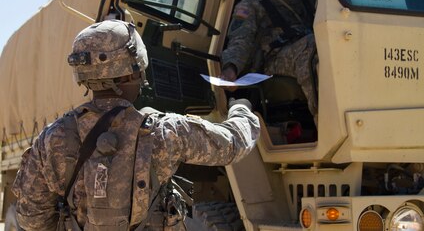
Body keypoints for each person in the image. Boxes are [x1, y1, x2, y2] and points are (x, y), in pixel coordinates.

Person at [12, 19, 260, 230]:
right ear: (135, 69)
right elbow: (233, 143)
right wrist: (241, 108)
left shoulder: (53, 138)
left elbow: (31, 220)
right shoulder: (164, 131)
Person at [221, 0, 318, 124]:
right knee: (311, 47)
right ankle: (323, 120)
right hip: (273, 59)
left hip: (310, 46)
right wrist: (231, 69)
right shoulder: (250, 5)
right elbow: (241, 40)